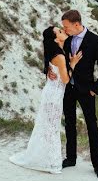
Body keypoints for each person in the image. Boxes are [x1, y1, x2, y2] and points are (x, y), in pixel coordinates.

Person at [9, 26, 82, 173]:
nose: (63, 31)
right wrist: (72, 64)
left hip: (51, 93)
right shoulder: (60, 57)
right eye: (60, 31)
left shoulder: (55, 51)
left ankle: (45, 159)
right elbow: (66, 80)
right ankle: (51, 163)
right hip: (54, 96)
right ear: (56, 38)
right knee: (51, 128)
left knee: (48, 127)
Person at [49, 9, 98, 179]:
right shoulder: (66, 39)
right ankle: (70, 158)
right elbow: (56, 59)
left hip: (87, 91)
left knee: (92, 127)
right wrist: (50, 71)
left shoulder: (95, 41)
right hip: (68, 88)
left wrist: (95, 89)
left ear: (77, 24)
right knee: (69, 123)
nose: (65, 30)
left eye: (67, 27)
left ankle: (97, 165)